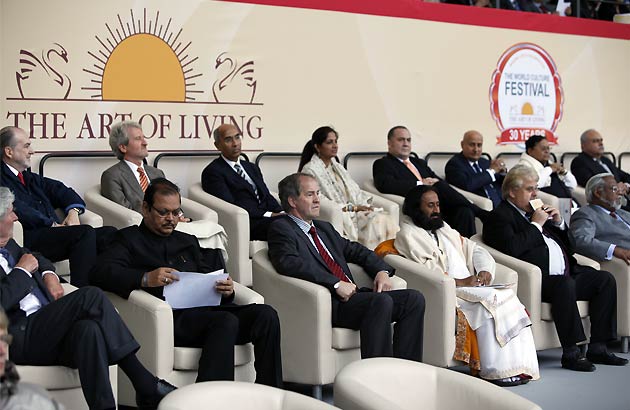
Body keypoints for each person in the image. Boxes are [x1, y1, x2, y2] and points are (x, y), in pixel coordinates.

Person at [90, 178, 283, 387]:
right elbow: (100, 272)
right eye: (163, 212)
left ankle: (271, 392)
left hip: (209, 312)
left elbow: (208, 277)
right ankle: (209, 400)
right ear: (145, 208)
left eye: (176, 212)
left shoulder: (187, 240)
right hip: (172, 320)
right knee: (226, 321)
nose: (171, 219)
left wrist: (227, 290)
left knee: (266, 315)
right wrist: (145, 278)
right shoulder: (128, 239)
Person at [0, 187, 174, 410]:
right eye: (10, 213)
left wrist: (50, 275)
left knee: (88, 330)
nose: (16, 217)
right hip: (16, 335)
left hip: (43, 328)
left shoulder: (10, 244)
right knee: (90, 295)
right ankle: (144, 383)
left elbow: (36, 257)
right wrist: (22, 272)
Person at [483, 165, 627, 371]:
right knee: (564, 285)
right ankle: (571, 352)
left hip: (567, 274)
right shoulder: (499, 216)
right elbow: (511, 248)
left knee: (604, 279)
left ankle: (599, 346)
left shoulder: (534, 211)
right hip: (539, 279)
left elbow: (570, 248)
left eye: (535, 189)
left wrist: (559, 223)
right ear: (513, 192)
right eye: (530, 189)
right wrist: (536, 226)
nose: (535, 194)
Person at [267, 173, 425, 361]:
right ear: (292, 201)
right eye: (310, 195)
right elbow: (289, 263)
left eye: (318, 193)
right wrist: (335, 283)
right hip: (329, 302)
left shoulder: (324, 228)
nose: (318, 200)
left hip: (355, 297)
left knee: (414, 299)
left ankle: (407, 370)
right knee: (381, 301)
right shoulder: (281, 228)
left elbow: (356, 250)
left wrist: (381, 271)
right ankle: (379, 376)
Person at [394, 185, 539, 386]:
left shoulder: (444, 229)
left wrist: (484, 271)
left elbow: (475, 249)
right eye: (430, 206)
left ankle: (520, 368)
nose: (436, 210)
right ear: (416, 209)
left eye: (437, 205)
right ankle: (496, 371)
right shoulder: (408, 235)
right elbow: (425, 271)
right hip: (450, 291)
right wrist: (461, 282)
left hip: (472, 286)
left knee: (509, 297)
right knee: (493, 303)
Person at [0, 126, 115, 287]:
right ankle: (84, 293)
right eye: (26, 146)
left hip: (52, 233)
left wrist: (73, 212)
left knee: (109, 233)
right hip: (30, 238)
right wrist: (52, 225)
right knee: (84, 233)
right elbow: (18, 209)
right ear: (9, 152)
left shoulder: (29, 177)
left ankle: (105, 287)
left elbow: (63, 190)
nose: (31, 151)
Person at [102, 121, 227, 250]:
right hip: (149, 228)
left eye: (144, 138)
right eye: (138, 139)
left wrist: (179, 217)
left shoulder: (156, 172)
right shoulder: (112, 175)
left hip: (172, 222)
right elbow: (124, 210)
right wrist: (162, 218)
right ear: (123, 147)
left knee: (213, 231)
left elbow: (171, 199)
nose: (145, 142)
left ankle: (211, 270)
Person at [373, 125, 488, 237]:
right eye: (401, 140)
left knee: (464, 211)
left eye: (408, 140)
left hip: (438, 203)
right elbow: (386, 185)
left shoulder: (419, 162)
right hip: (418, 206)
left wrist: (434, 182)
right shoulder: (383, 163)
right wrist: (420, 184)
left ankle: (466, 250)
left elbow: (435, 178)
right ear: (389, 143)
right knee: (439, 185)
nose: (406, 143)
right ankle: (479, 212)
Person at [298, 126, 397, 249]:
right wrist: (355, 208)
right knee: (378, 220)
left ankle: (389, 257)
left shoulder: (337, 167)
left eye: (336, 141)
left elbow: (354, 190)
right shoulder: (310, 170)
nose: (335, 145)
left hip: (355, 211)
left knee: (384, 217)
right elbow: (318, 199)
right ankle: (376, 257)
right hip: (342, 213)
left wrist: (363, 205)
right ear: (317, 147)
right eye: (329, 142)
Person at [201, 124, 283, 241]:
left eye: (237, 137)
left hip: (269, 218)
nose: (235, 144)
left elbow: (266, 195)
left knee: (308, 222)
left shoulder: (251, 167)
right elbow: (231, 204)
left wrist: (281, 211)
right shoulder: (213, 172)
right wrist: (269, 215)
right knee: (285, 225)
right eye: (228, 140)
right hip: (248, 222)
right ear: (217, 145)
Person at [1, 308, 66, 409]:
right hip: (23, 330)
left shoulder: (36, 393)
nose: (2, 351)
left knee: (88, 328)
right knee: (91, 296)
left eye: (4, 340)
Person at [569, 173, 630, 265]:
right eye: (614, 189)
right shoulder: (586, 214)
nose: (620, 192)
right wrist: (614, 250)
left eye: (619, 189)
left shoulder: (623, 213)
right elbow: (580, 240)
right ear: (598, 193)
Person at [445, 130, 506, 208]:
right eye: (472, 145)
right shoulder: (454, 164)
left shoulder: (485, 162)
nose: (476, 149)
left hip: (501, 204)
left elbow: (502, 181)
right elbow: (467, 185)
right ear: (462, 144)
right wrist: (492, 171)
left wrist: (502, 171)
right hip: (478, 207)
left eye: (479, 145)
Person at [517, 135, 579, 207]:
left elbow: (573, 185)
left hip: (568, 203)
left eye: (548, 148)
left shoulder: (550, 164)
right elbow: (536, 184)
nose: (547, 151)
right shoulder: (523, 166)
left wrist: (564, 172)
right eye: (543, 149)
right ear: (530, 151)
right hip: (550, 206)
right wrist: (550, 169)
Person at [571, 129, 630, 194]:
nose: (601, 143)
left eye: (601, 140)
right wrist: (616, 188)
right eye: (595, 141)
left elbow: (625, 176)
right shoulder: (579, 162)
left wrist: (626, 186)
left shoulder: (605, 159)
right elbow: (593, 185)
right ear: (583, 145)